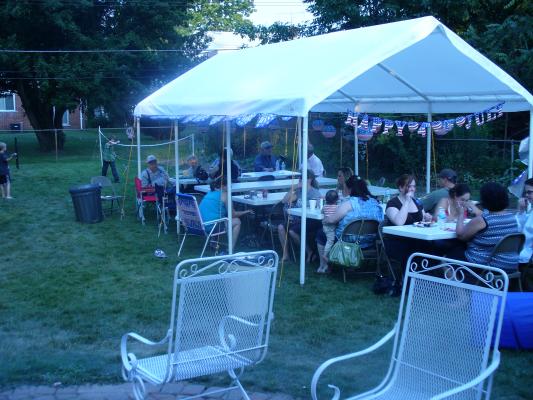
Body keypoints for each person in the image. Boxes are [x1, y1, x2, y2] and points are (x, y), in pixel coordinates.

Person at [316, 175, 384, 272]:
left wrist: (324, 220)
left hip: (347, 241)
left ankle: (324, 265)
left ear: (350, 189)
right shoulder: (375, 203)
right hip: (370, 240)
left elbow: (332, 220)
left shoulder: (349, 204)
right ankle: (350, 263)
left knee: (321, 233)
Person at [455, 182, 519, 273]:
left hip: (488, 266)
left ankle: (458, 282)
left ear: (485, 200)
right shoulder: (512, 217)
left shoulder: (483, 220)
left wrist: (461, 214)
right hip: (511, 264)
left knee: (448, 256)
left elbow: (461, 236)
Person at [384, 174, 432, 269]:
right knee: (416, 250)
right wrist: (406, 201)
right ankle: (409, 276)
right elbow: (399, 222)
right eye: (409, 186)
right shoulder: (392, 203)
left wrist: (427, 218)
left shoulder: (417, 202)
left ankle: (426, 275)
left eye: (414, 186)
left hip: (417, 239)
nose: (412, 189)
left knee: (433, 248)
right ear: (401, 188)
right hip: (398, 242)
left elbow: (422, 220)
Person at [277, 169, 322, 262]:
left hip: (310, 220)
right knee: (281, 227)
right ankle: (286, 255)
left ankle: (309, 252)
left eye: (302, 178)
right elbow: (284, 201)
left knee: (292, 231)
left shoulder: (314, 193)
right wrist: (293, 188)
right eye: (300, 178)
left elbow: (318, 208)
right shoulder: (299, 192)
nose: (300, 180)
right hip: (297, 219)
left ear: (309, 179)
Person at [198, 176, 254, 249]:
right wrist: (246, 211)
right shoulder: (225, 195)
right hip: (211, 226)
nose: (230, 187)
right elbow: (232, 215)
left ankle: (213, 243)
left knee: (218, 217)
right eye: (229, 185)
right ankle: (230, 249)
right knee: (237, 221)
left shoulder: (209, 193)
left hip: (200, 225)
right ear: (223, 186)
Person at [516, 178, 533, 290]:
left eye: (529, 192)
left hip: (527, 258)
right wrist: (521, 211)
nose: (526, 195)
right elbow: (519, 229)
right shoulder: (531, 211)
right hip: (524, 253)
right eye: (526, 192)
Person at [318, 190, 339, 273]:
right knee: (330, 241)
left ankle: (323, 264)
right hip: (331, 227)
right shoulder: (337, 207)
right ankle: (325, 254)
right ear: (337, 199)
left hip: (325, 227)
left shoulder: (325, 206)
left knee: (326, 239)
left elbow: (321, 212)